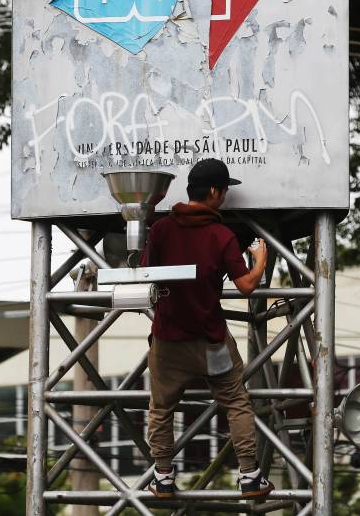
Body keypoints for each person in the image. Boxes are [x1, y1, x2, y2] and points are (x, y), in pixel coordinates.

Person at [141, 158, 274, 498]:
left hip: (168, 341)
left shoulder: (160, 230)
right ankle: (249, 476)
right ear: (214, 192)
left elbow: (144, 277)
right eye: (225, 189)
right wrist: (261, 260)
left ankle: (165, 478)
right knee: (237, 403)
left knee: (160, 409)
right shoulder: (222, 235)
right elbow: (246, 286)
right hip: (211, 341)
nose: (227, 195)